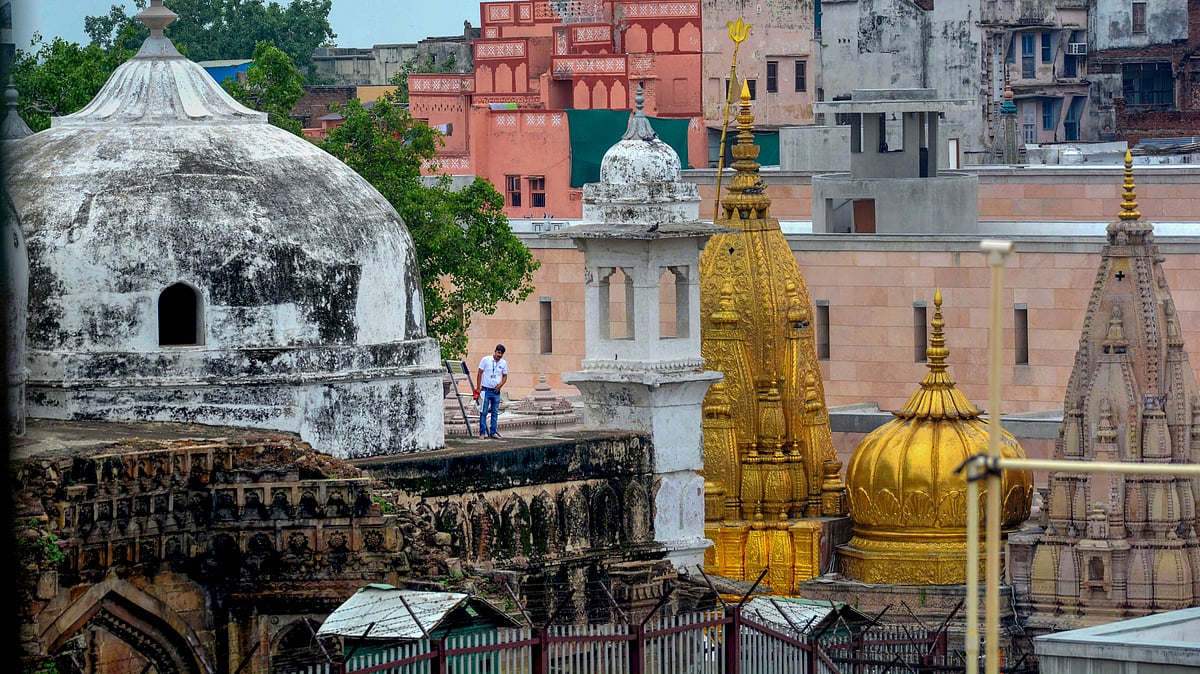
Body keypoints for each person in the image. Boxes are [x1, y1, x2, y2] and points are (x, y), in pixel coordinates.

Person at [474, 344, 508, 439]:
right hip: (485, 390)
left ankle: (493, 432)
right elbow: (479, 373)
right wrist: (478, 387)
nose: (499, 355)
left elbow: (505, 376)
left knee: (494, 412)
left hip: (496, 391)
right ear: (495, 351)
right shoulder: (486, 359)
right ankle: (482, 433)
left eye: (501, 354)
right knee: (483, 411)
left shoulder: (503, 363)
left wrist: (500, 385)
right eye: (498, 353)